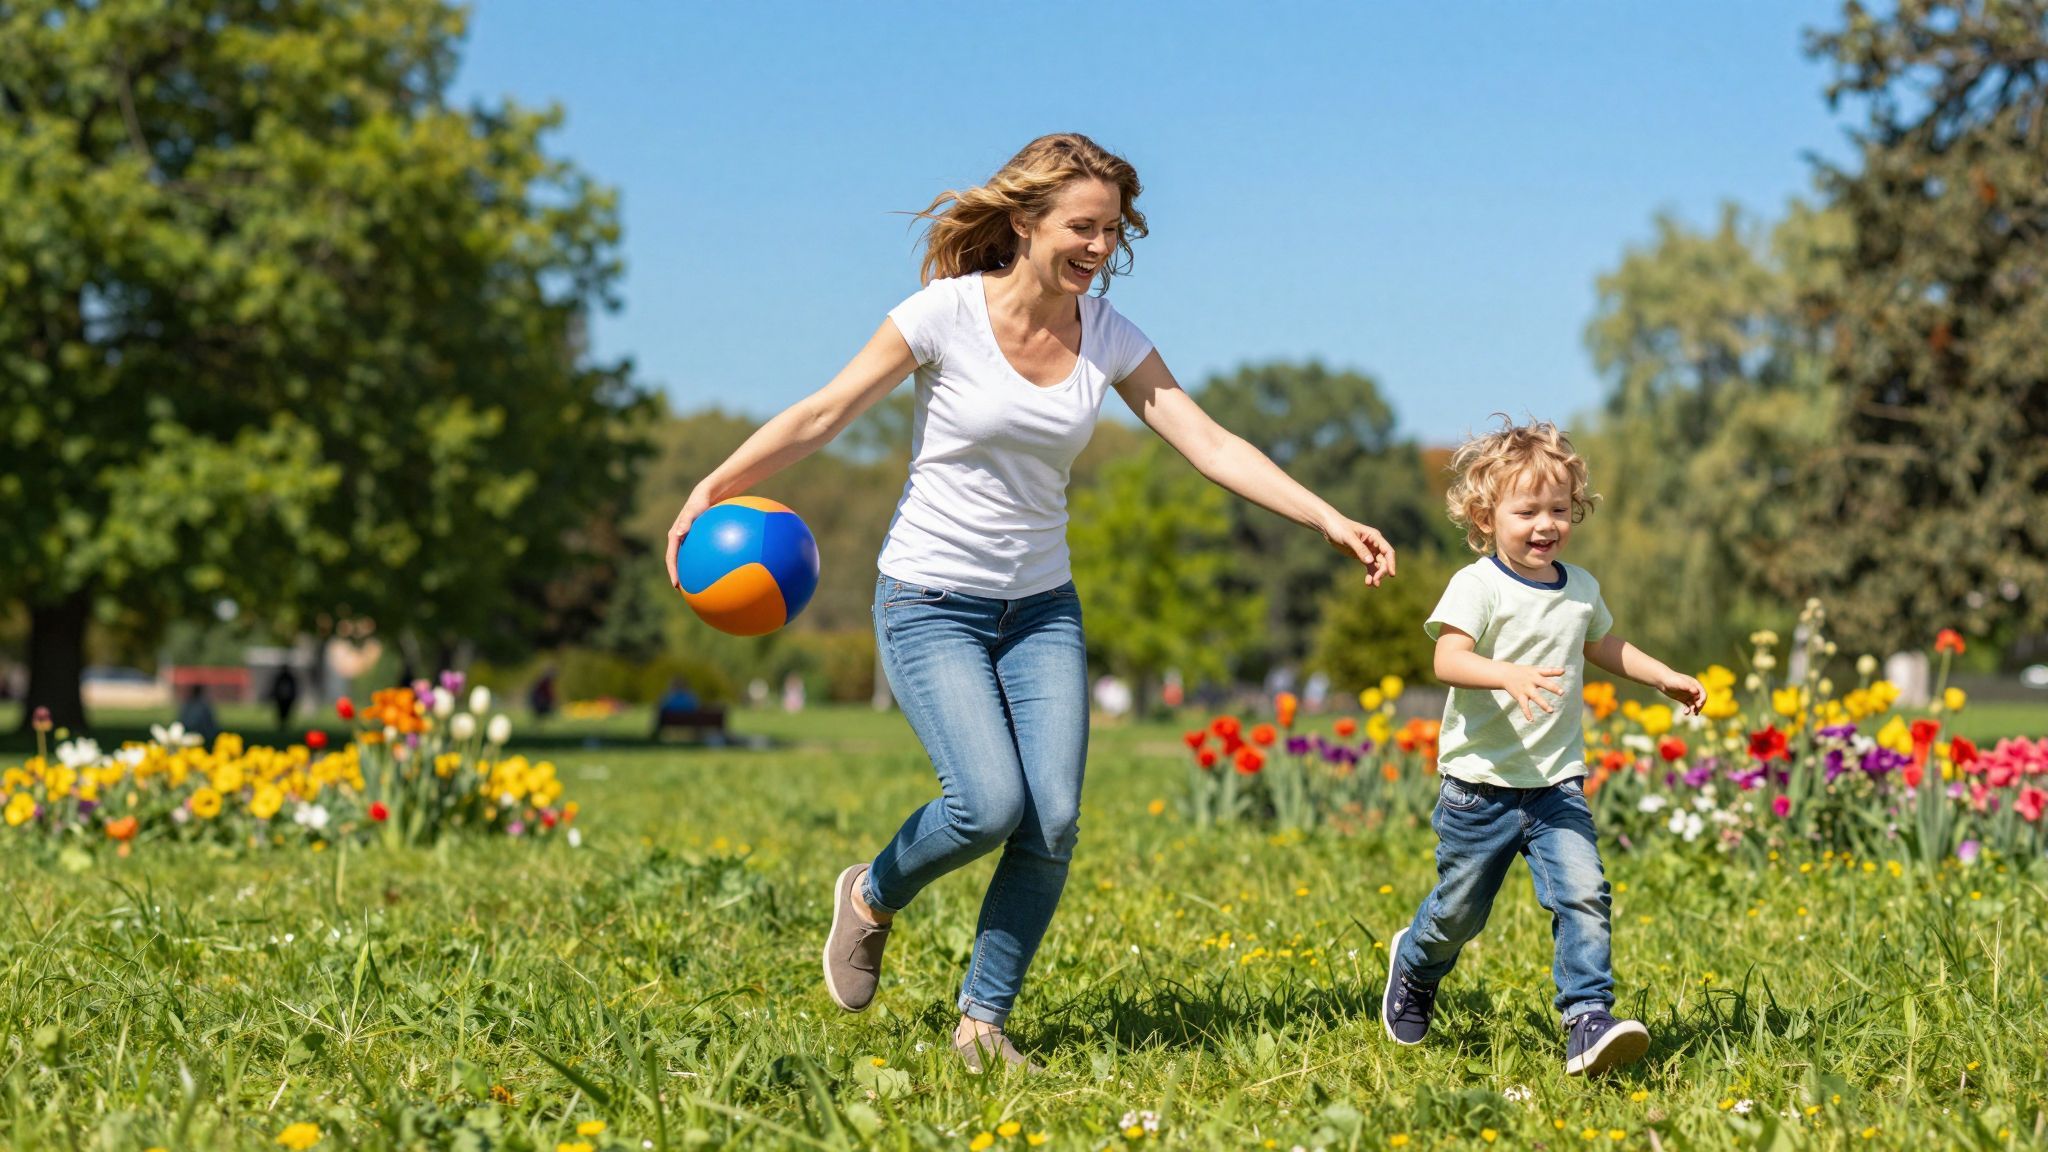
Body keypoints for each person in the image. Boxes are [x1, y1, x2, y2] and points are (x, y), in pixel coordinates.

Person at [665, 133, 1396, 1072]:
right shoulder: (942, 316)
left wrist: (1327, 517)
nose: (1099, 248)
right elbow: (823, 413)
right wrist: (714, 485)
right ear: (1024, 221)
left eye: (1113, 231)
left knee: (1050, 819)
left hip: (1041, 609)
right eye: (1082, 228)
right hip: (930, 598)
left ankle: (982, 1022)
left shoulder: (1111, 336)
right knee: (986, 804)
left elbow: (1208, 441)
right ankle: (871, 896)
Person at [1381, 417, 1704, 1076]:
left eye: (1559, 509)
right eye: (1526, 510)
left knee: (1584, 894)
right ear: (1485, 515)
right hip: (1479, 788)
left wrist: (1663, 675)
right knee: (1460, 913)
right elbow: (1448, 658)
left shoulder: (1580, 588)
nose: (1544, 523)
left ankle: (1587, 1018)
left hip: (1556, 785)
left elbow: (1601, 644)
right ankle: (1415, 963)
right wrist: (1505, 673)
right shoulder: (1479, 585)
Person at [268, 665, 300, 730]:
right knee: (281, 712)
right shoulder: (282, 677)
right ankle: (282, 725)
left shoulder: (289, 677)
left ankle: (284, 725)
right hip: (281, 698)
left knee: (286, 712)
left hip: (287, 698)